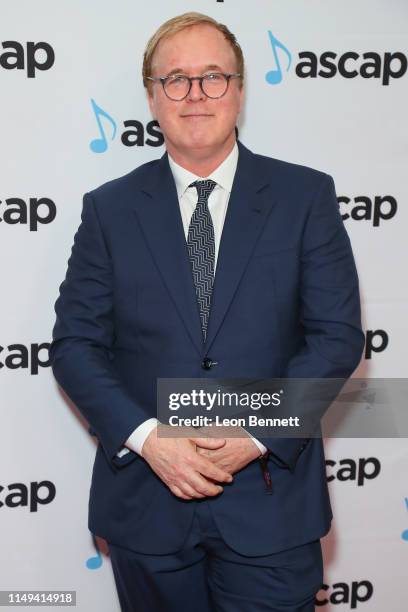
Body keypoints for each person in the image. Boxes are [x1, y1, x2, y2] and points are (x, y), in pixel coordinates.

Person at [50, 12, 365, 612]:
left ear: (240, 90)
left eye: (213, 77)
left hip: (270, 507)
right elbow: (75, 347)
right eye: (176, 80)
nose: (195, 95)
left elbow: (336, 338)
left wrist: (254, 433)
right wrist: (151, 441)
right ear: (152, 97)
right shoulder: (108, 211)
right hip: (148, 504)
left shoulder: (305, 197)